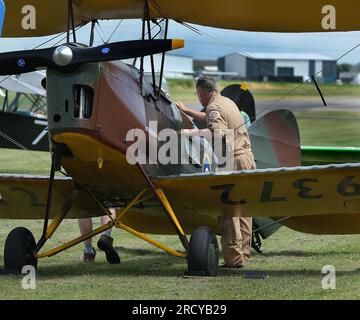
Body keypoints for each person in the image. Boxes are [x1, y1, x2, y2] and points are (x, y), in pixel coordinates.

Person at [176, 76, 256, 268]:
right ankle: (243, 254)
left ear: (203, 92)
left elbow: (217, 133)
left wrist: (187, 133)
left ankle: (233, 260)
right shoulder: (226, 102)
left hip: (232, 160)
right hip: (247, 157)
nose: (198, 97)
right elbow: (213, 119)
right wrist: (188, 111)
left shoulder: (213, 107)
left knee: (228, 210)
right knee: (244, 209)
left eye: (197, 94)